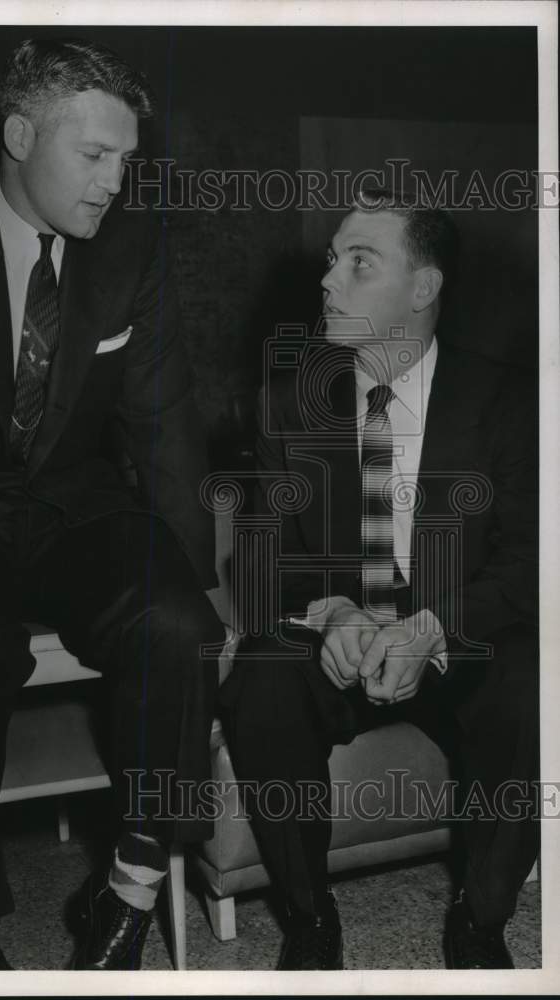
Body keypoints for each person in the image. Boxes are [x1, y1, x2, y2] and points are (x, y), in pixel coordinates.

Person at [0, 37, 224, 971]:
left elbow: (166, 426)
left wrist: (207, 589)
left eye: (127, 161)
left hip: (74, 509)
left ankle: (132, 882)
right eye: (95, 156)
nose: (115, 182)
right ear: (20, 134)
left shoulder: (132, 248)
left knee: (179, 622)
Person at [220, 187, 538, 970]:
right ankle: (308, 918)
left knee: (537, 677)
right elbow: (255, 560)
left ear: (423, 289)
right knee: (262, 675)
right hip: (345, 646)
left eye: (359, 263)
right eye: (332, 262)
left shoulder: (511, 399)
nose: (328, 281)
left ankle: (482, 918)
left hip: (457, 638)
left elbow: (534, 562)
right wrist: (327, 614)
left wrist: (429, 628)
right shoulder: (286, 403)